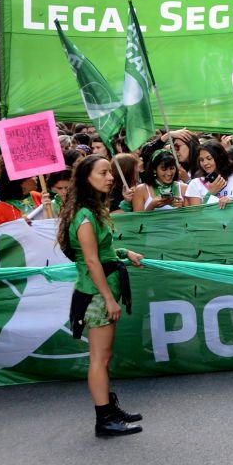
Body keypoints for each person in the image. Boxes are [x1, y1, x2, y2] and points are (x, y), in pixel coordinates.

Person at [57, 155, 146, 437]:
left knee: (104, 356)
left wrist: (124, 252)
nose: (110, 177)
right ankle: (104, 418)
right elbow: (92, 262)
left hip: (101, 291)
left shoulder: (94, 211)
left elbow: (102, 253)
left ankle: (108, 408)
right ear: (87, 178)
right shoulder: (84, 216)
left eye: (110, 172)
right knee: (99, 358)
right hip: (95, 296)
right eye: (103, 172)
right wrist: (108, 299)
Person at [184, 141, 233, 207]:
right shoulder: (195, 184)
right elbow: (196, 215)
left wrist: (232, 204)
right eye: (201, 160)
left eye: (209, 158)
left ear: (220, 158)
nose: (205, 163)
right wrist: (210, 193)